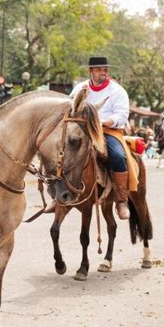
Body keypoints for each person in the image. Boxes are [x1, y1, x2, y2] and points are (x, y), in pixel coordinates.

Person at [67, 56, 134, 220]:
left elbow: (122, 115)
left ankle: (121, 200)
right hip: (82, 130)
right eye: (99, 70)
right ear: (91, 71)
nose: (103, 72)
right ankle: (60, 196)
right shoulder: (79, 89)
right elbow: (69, 106)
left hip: (107, 131)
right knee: (62, 151)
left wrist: (103, 122)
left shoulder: (117, 90)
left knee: (118, 156)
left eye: (105, 69)